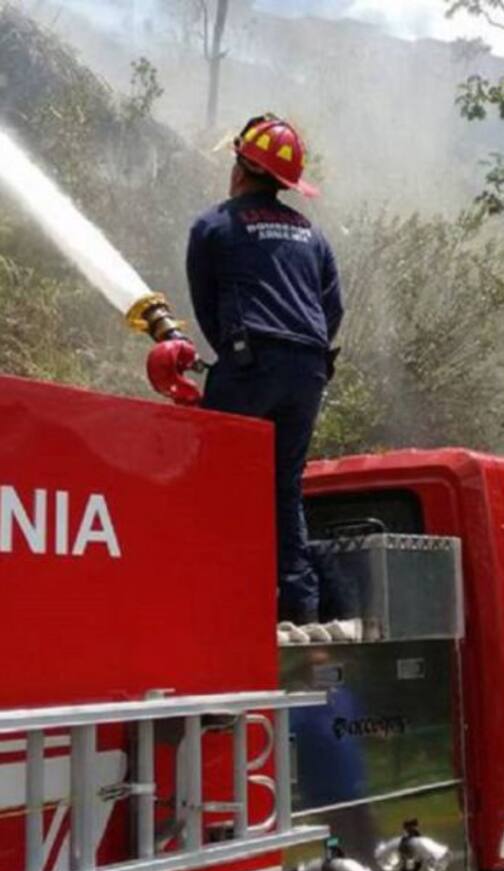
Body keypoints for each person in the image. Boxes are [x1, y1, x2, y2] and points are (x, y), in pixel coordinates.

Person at [186, 113, 342, 625]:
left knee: (216, 481)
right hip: (309, 370)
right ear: (285, 183)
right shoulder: (314, 236)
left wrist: (238, 359)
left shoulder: (214, 226)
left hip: (250, 362)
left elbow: (208, 308)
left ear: (240, 166)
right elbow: (332, 310)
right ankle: (299, 606)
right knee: (283, 486)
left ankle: (216, 601)